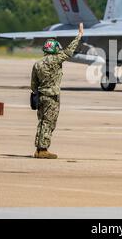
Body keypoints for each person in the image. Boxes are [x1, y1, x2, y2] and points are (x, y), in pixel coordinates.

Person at [31, 23, 84, 159]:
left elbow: (33, 84)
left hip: (41, 96)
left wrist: (36, 94)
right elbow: (69, 51)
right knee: (49, 122)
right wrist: (79, 36)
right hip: (52, 97)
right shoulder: (56, 60)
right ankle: (43, 149)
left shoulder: (38, 64)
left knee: (42, 121)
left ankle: (38, 148)